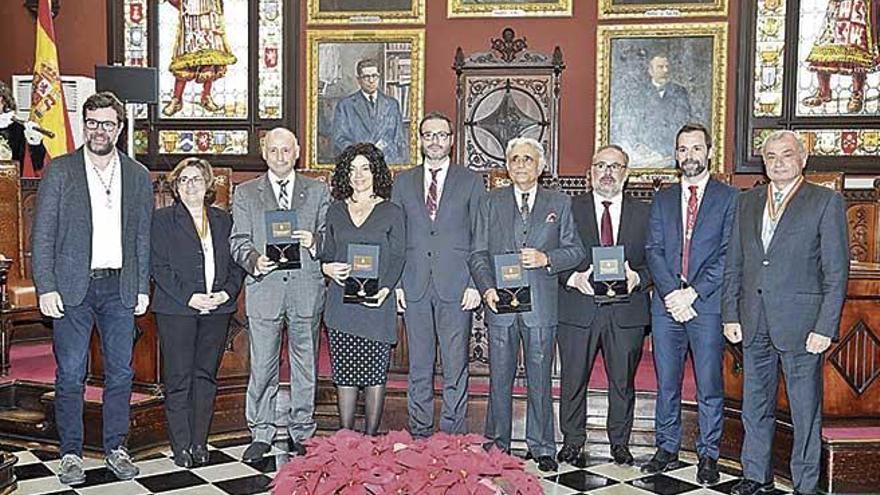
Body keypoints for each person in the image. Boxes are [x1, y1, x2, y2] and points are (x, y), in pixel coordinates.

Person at [31, 91, 152, 485]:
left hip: (119, 287)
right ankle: (70, 454)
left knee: (120, 373)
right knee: (70, 374)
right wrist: (45, 286)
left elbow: (142, 238)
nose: (100, 130)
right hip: (70, 290)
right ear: (85, 125)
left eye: (108, 123)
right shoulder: (61, 170)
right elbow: (43, 235)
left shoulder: (136, 175)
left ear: (120, 127)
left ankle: (116, 447)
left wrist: (141, 286)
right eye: (93, 122)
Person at [722, 130, 849, 495]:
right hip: (753, 320)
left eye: (786, 155)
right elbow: (735, 263)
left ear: (803, 159)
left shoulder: (825, 202)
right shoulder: (747, 202)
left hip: (803, 325)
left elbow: (836, 272)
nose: (778, 163)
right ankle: (755, 475)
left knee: (804, 410)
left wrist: (825, 326)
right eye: (771, 156)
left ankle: (805, 484)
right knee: (754, 404)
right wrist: (730, 314)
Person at [468, 137, 585, 472]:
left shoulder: (559, 203)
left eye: (528, 159)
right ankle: (497, 444)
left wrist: (546, 257)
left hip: (541, 308)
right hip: (500, 307)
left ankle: (543, 446)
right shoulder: (490, 202)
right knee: (499, 378)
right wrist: (487, 288)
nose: (521, 165)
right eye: (515, 158)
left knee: (540, 380)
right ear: (507, 165)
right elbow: (477, 254)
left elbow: (575, 251)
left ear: (541, 166)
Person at [643, 123, 738, 485]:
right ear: (676, 154)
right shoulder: (663, 197)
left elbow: (729, 253)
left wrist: (692, 293)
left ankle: (708, 454)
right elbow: (653, 249)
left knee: (708, 384)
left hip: (706, 305)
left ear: (709, 152)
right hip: (667, 306)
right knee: (666, 382)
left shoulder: (729, 198)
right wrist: (671, 293)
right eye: (683, 149)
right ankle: (666, 448)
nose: (690, 156)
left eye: (697, 148)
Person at [229, 127, 330, 462]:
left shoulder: (317, 191)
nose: (280, 157)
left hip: (305, 290)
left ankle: (302, 431)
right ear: (264, 153)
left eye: (286, 150)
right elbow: (238, 241)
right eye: (274, 151)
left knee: (305, 365)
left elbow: (331, 237)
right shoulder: (245, 193)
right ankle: (261, 431)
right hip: (265, 290)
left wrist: (314, 241)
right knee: (263, 365)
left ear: (297, 151)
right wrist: (254, 260)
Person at [556, 144, 651, 468]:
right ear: (590, 173)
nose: (607, 172)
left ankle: (620, 443)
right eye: (601, 166)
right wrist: (572, 278)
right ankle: (571, 441)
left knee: (622, 381)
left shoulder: (646, 213)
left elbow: (658, 261)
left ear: (626, 174)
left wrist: (638, 277)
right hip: (578, 308)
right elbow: (551, 253)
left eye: (615, 166)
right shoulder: (569, 208)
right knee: (573, 379)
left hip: (626, 311)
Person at [391, 112, 485, 438]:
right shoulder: (402, 182)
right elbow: (396, 237)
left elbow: (480, 235)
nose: (435, 141)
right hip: (414, 285)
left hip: (457, 286)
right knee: (418, 366)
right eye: (428, 135)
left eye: (441, 135)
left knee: (455, 367)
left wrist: (475, 283)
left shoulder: (471, 181)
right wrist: (397, 284)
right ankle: (419, 433)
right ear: (419, 140)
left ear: (451, 140)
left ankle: (451, 435)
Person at [150, 157, 244, 467]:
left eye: (197, 179)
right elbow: (159, 268)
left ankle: (200, 442)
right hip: (177, 310)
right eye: (184, 180)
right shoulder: (162, 220)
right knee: (179, 379)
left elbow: (235, 266)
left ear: (208, 186)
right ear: (176, 188)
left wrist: (225, 293)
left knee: (205, 377)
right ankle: (181, 446)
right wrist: (190, 297)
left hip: (217, 309)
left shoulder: (223, 220)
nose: (191, 185)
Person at [320, 142, 405, 435]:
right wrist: (326, 268)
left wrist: (385, 289)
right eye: (352, 169)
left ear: (376, 172)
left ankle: (369, 440)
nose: (359, 175)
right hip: (342, 307)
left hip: (376, 306)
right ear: (345, 174)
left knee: (373, 375)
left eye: (365, 168)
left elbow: (398, 256)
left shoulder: (392, 212)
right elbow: (327, 253)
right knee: (344, 374)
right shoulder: (335, 211)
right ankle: (345, 439)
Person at [162, 0, 238, 116]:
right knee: (186, 58)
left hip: (210, 11)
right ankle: (177, 99)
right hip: (190, 11)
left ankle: (206, 95)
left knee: (210, 57)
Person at [803, 0, 880, 113]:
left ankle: (857, 94)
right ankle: (823, 92)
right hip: (838, 6)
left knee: (858, 46)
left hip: (861, 6)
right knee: (826, 44)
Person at [331, 58, 406, 164]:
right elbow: (338, 140)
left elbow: (399, 140)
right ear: (359, 80)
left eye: (374, 76)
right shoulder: (345, 105)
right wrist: (361, 152)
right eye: (366, 77)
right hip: (357, 165)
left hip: (387, 163)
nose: (371, 81)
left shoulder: (392, 104)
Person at [628, 54, 693, 167]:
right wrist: (637, 145)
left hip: (673, 151)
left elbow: (684, 121)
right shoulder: (639, 93)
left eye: (667, 67)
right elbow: (632, 124)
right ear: (650, 71)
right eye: (660, 67)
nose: (665, 70)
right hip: (647, 153)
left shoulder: (680, 91)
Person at [0, 80, 47, 176]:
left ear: (3, 100)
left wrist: (35, 143)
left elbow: (37, 165)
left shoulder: (19, 129)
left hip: (10, 186)